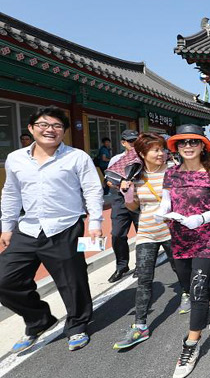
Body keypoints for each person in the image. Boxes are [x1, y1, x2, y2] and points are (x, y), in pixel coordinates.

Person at [0, 105, 103, 353]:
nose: (50, 130)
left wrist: (96, 223)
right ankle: (39, 320)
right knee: (5, 279)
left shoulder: (77, 157)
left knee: (72, 280)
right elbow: (11, 193)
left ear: (64, 131)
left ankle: (77, 325)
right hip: (29, 227)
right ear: (31, 129)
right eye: (44, 125)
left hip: (65, 226)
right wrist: (7, 227)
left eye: (57, 126)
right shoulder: (16, 158)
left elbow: (92, 189)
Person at [158, 125, 210, 378]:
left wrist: (200, 219)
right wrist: (163, 211)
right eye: (182, 143)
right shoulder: (170, 175)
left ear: (203, 146)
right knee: (189, 286)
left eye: (193, 142)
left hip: (205, 238)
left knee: (198, 289)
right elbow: (166, 200)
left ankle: (190, 345)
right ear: (176, 147)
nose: (187, 146)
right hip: (179, 237)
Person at [112, 133, 189, 350]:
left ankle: (186, 292)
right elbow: (133, 208)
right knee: (144, 279)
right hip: (146, 232)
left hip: (171, 231)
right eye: (155, 150)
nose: (160, 153)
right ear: (143, 154)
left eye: (162, 149)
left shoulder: (174, 173)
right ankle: (140, 326)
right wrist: (127, 194)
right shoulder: (135, 177)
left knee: (180, 269)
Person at [105, 129, 140, 282]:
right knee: (118, 234)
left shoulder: (144, 157)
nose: (133, 144)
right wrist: (120, 185)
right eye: (130, 141)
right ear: (123, 143)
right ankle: (121, 265)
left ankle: (141, 264)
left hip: (140, 197)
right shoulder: (116, 159)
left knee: (143, 233)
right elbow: (108, 180)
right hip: (120, 198)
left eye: (135, 141)